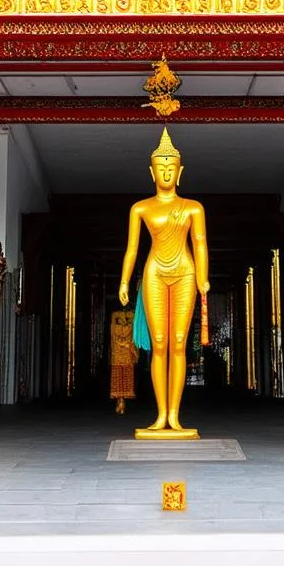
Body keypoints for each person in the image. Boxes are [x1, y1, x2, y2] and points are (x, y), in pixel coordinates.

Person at [119, 128, 208, 437]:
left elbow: (200, 243)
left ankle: (175, 414)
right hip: (155, 272)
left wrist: (203, 278)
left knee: (180, 343)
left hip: (184, 272)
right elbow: (132, 248)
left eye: (172, 167)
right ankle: (159, 415)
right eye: (162, 167)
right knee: (159, 344)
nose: (167, 172)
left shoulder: (193, 207)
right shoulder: (141, 208)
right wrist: (124, 281)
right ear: (151, 171)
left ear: (180, 171)